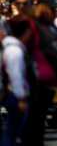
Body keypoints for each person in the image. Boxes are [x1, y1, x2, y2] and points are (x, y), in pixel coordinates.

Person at [2, 17, 32, 146]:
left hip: (11, 93)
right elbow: (16, 75)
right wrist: (21, 97)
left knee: (12, 129)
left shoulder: (10, 48)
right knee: (13, 131)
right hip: (15, 95)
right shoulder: (15, 50)